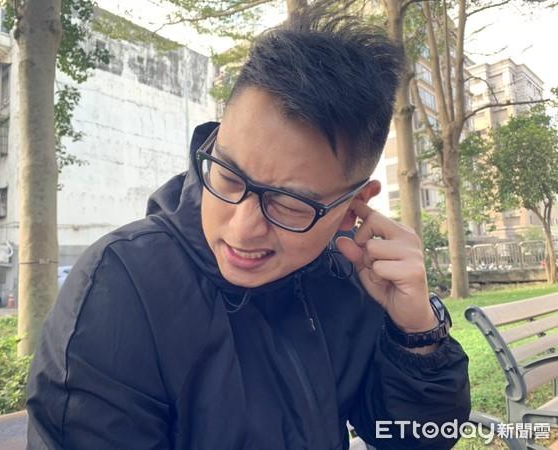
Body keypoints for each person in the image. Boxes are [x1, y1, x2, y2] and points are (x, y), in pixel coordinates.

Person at [26, 7, 470, 450]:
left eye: (290, 204)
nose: (242, 228)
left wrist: (417, 334)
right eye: (228, 176)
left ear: (352, 207)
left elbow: (415, 440)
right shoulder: (122, 286)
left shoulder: (345, 277)